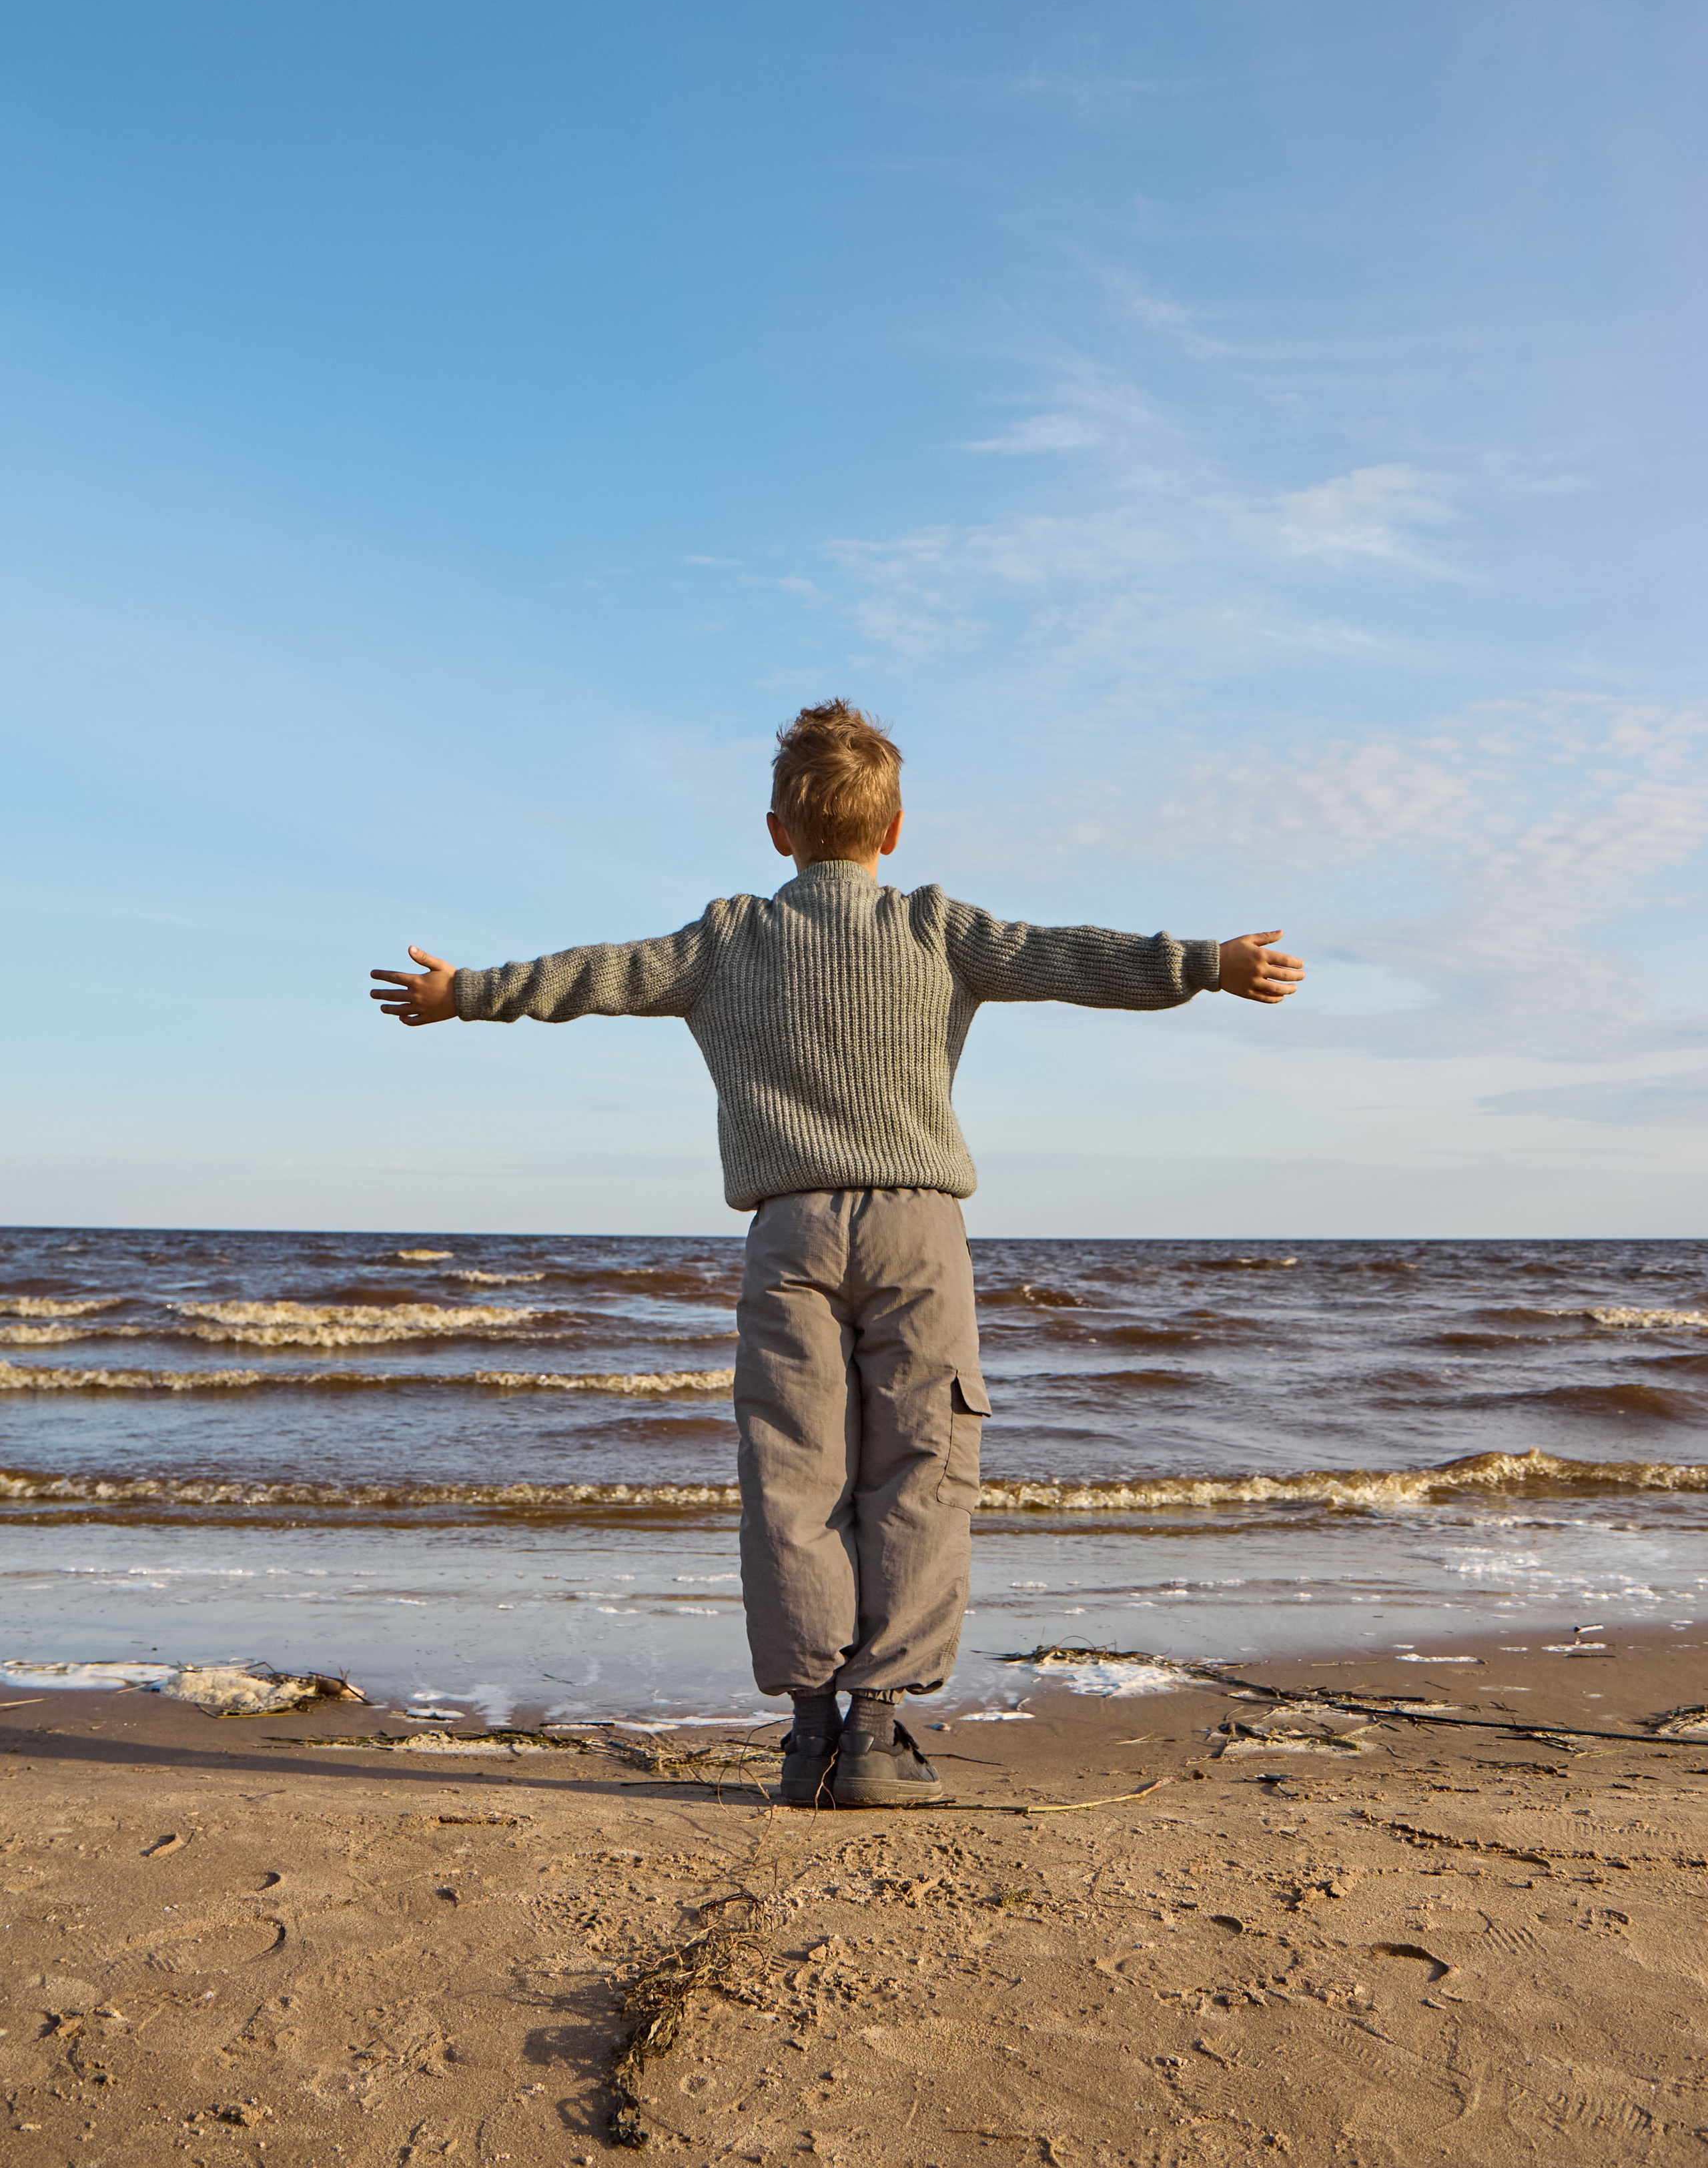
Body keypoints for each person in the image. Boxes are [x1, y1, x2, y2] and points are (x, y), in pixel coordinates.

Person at [370, 698, 1304, 1808]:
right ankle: (875, 1730)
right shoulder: (935, 928)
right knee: (921, 1466)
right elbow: (1070, 958)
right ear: (895, 831)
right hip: (917, 1228)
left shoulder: (728, 938)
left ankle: (808, 1729)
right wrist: (1206, 962)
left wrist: (464, 994)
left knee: (792, 1473)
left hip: (789, 1229)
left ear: (777, 833)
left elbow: (600, 974)